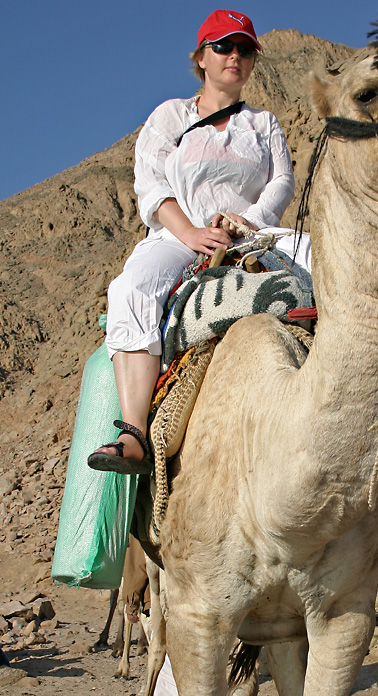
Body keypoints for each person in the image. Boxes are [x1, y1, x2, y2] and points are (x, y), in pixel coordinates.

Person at [88, 9, 295, 474]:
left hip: (254, 235)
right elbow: (152, 184)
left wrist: (249, 221)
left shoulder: (264, 124)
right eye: (223, 47)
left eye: (245, 49)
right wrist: (191, 232)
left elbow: (281, 182)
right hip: (181, 235)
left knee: (327, 270)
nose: (234, 57)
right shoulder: (170, 116)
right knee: (132, 287)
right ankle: (135, 432)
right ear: (201, 57)